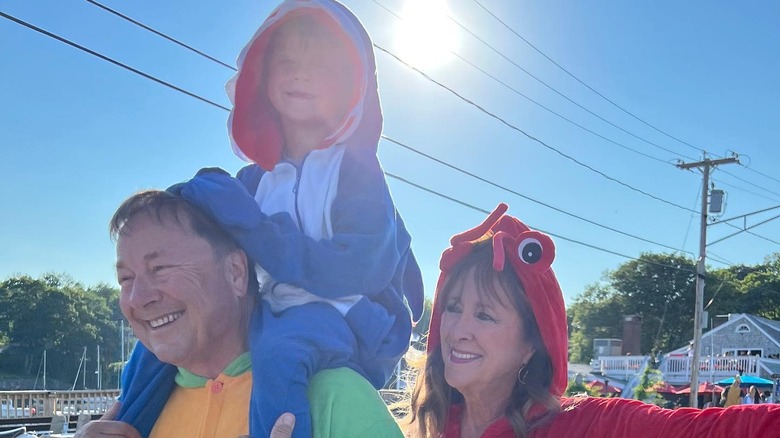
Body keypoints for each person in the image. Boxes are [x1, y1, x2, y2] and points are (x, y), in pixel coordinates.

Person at [116, 1, 424, 437]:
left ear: (352, 85)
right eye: (287, 62)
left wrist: (262, 235)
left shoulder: (359, 173)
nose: (301, 74)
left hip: (345, 314)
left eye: (321, 66)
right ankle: (125, 425)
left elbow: (363, 267)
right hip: (274, 309)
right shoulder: (252, 180)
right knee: (158, 346)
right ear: (261, 78)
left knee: (279, 355)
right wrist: (186, 195)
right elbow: (207, 218)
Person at [404, 203, 780, 438]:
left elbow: (716, 431)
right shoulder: (423, 424)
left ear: (532, 344)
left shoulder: (585, 426)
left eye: (484, 314)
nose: (458, 330)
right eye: (453, 307)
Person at [75, 189, 403, 437]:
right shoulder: (133, 415)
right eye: (125, 279)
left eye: (159, 268)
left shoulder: (337, 398)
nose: (138, 298)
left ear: (235, 272)